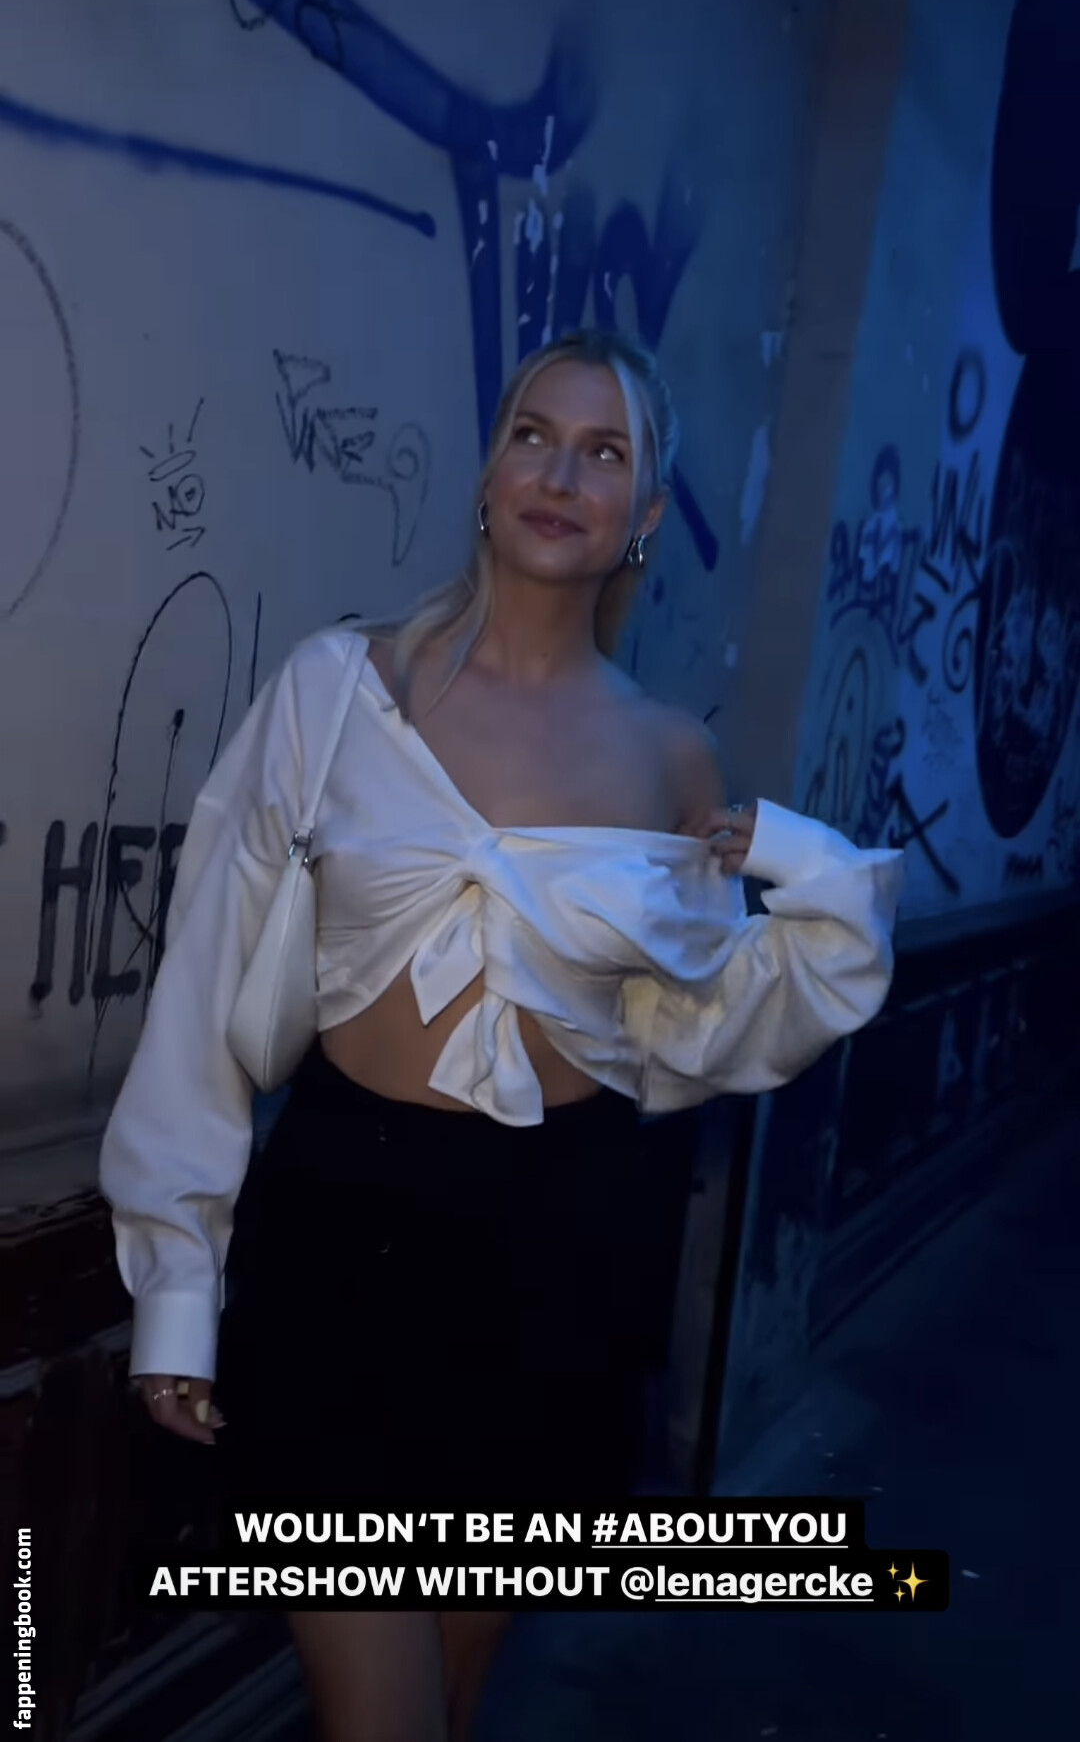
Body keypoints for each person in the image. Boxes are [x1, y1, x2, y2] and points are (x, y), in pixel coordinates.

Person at [99, 327, 904, 1742]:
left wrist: (806, 866)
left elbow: (708, 1027)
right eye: (534, 435)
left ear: (644, 514)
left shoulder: (671, 755)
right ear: (489, 473)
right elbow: (205, 987)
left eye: (605, 453)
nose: (560, 474)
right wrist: (177, 1284)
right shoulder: (339, 692)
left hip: (560, 1258)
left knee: (456, 1705)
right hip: (343, 1240)